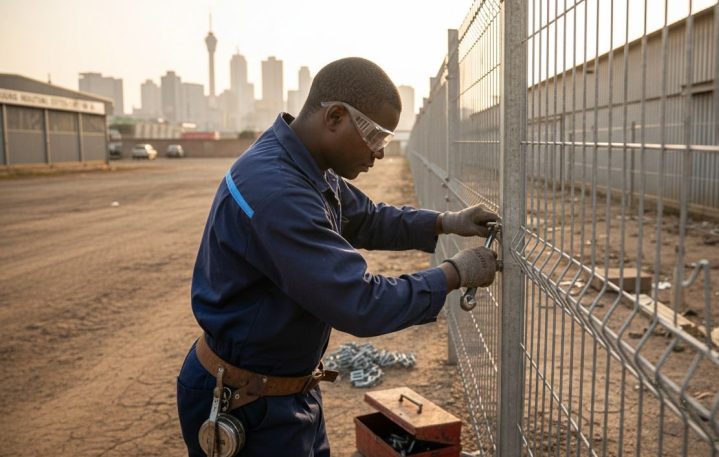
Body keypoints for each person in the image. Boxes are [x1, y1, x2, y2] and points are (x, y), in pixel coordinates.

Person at [175, 57, 499, 457]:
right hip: (246, 404)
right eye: (376, 136)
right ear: (335, 117)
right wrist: (455, 273)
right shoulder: (277, 191)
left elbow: (368, 218)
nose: (380, 152)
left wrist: (447, 221)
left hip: (283, 390)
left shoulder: (306, 164)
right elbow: (358, 303)